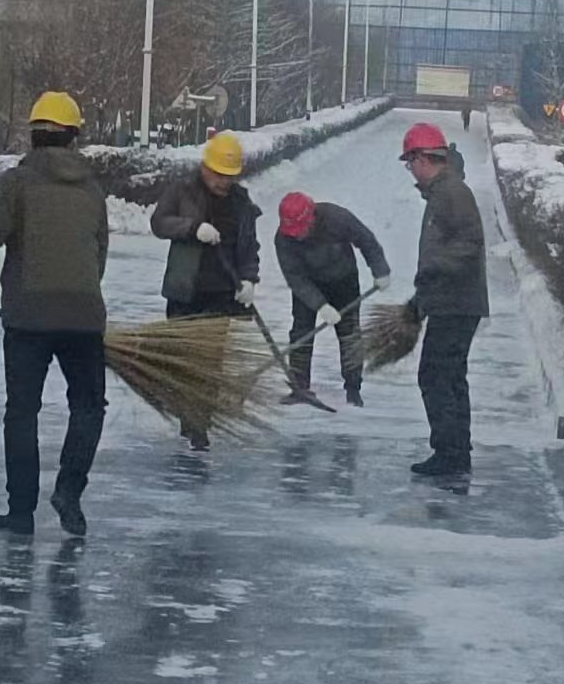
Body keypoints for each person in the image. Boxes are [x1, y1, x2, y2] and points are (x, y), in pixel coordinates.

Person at [0, 92, 109, 539]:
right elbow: (98, 255)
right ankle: (69, 491)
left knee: (23, 411)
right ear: (73, 137)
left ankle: (21, 512)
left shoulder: (16, 183)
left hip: (28, 318)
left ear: (33, 136)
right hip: (84, 315)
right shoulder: (92, 189)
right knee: (89, 406)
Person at [149, 132, 261, 449]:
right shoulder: (183, 190)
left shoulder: (241, 203)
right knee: (183, 362)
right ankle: (186, 413)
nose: (224, 182)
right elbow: (159, 223)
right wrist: (192, 228)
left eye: (230, 176)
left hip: (221, 295)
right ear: (205, 167)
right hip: (185, 292)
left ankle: (199, 425)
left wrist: (249, 280)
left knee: (209, 363)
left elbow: (249, 247)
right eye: (219, 174)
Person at [400, 120, 488, 482]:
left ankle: (449, 454)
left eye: (410, 162)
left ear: (423, 158)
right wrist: (420, 300)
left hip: (457, 303)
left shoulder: (452, 193)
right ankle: (456, 451)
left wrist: (433, 269)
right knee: (449, 376)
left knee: (436, 376)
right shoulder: (444, 192)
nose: (410, 170)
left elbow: (469, 244)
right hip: (451, 301)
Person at [274, 192, 392, 408]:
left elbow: (366, 241)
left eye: (301, 230)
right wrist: (320, 305)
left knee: (349, 333)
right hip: (308, 284)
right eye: (294, 232)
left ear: (311, 217)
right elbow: (295, 277)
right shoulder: (283, 238)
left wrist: (380, 269)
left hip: (343, 280)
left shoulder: (337, 218)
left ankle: (353, 389)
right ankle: (299, 386)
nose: (297, 236)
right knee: (301, 333)